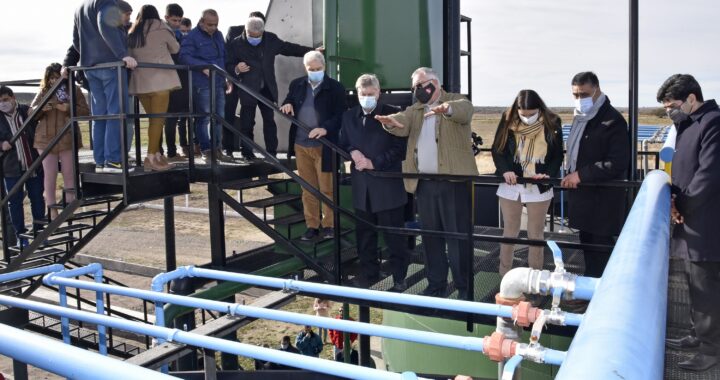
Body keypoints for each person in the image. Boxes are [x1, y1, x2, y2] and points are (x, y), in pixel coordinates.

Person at [376, 67, 477, 299]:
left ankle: (464, 288)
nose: (416, 90)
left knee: (457, 239)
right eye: (414, 87)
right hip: (425, 184)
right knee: (431, 239)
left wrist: (446, 109)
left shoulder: (456, 100)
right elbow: (403, 121)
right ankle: (436, 285)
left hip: (453, 183)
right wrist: (390, 122)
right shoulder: (416, 109)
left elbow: (465, 111)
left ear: (434, 83)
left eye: (419, 85)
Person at [657, 74, 720, 372]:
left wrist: (681, 204)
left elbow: (708, 175)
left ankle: (711, 350)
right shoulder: (686, 124)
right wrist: (673, 200)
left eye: (673, 105)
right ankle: (698, 334)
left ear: (692, 98)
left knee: (706, 287)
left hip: (705, 221)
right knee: (694, 283)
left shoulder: (713, 123)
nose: (670, 111)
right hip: (687, 217)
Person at [339, 73, 409, 290]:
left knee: (394, 237)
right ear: (357, 93)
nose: (367, 97)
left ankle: (399, 278)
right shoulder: (349, 116)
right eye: (363, 94)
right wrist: (352, 152)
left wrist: (373, 162)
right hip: (362, 189)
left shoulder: (392, 115)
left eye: (371, 94)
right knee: (365, 236)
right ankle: (369, 274)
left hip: (388, 187)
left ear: (378, 93)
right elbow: (343, 143)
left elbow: (400, 150)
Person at [560, 72, 629, 278]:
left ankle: (601, 295)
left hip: (602, 201)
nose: (579, 99)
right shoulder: (581, 119)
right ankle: (591, 292)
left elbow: (617, 162)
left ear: (597, 90)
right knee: (588, 249)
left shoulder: (612, 120)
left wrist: (581, 175)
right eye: (575, 95)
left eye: (584, 94)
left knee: (601, 251)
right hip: (584, 198)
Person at [491, 90, 563, 276]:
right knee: (509, 232)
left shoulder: (552, 121)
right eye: (523, 114)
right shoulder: (507, 119)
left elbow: (556, 155)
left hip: (539, 186)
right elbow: (497, 149)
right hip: (511, 185)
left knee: (535, 235)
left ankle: (534, 279)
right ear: (517, 109)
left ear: (539, 108)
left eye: (532, 114)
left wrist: (547, 174)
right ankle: (504, 277)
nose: (527, 118)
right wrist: (505, 170)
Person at [227, 16, 316, 160]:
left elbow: (289, 48)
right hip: (248, 89)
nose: (255, 38)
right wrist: (236, 68)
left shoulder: (271, 39)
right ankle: (247, 153)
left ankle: (271, 153)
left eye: (258, 36)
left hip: (267, 88)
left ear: (263, 32)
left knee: (269, 121)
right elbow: (228, 64)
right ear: (246, 30)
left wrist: (313, 52)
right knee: (247, 123)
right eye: (251, 36)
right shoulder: (236, 44)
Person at [280, 51, 346, 240]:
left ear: (324, 67)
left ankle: (330, 225)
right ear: (305, 68)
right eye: (311, 69)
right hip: (301, 144)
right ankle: (312, 226)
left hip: (325, 146)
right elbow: (290, 99)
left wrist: (325, 129)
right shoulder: (297, 84)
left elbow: (341, 115)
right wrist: (287, 104)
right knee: (308, 189)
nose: (315, 72)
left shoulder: (335, 88)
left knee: (327, 188)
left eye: (318, 69)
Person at [74, 0, 137, 173]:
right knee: (115, 113)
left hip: (90, 68)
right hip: (111, 66)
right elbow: (105, 24)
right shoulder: (105, 1)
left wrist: (88, 58)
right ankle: (113, 161)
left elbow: (76, 40)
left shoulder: (81, 7)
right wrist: (122, 54)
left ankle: (101, 161)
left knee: (99, 115)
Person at [30, 63, 89, 216]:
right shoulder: (43, 92)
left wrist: (68, 108)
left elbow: (85, 112)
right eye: (50, 78)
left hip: (67, 138)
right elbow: (31, 112)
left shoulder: (74, 90)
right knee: (50, 174)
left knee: (69, 172)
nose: (53, 81)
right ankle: (51, 208)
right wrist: (41, 108)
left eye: (57, 77)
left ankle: (70, 205)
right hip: (45, 140)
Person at [127, 4, 181, 171]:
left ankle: (157, 155)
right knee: (158, 120)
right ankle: (150, 158)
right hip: (161, 81)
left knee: (153, 120)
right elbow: (176, 48)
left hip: (141, 83)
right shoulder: (162, 28)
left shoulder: (132, 31)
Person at [179, 9, 232, 162]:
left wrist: (226, 77)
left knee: (219, 118)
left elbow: (223, 57)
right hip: (202, 84)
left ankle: (217, 149)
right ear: (202, 21)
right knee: (204, 118)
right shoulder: (192, 36)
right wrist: (203, 67)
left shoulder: (219, 35)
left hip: (219, 82)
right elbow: (184, 57)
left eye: (216, 24)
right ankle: (206, 150)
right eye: (210, 24)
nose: (213, 27)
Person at [0, 86, 46, 248]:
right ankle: (22, 236)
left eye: (5, 99)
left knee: (37, 199)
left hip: (33, 164)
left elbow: (41, 128)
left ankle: (40, 232)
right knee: (15, 203)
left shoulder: (26, 111)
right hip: (11, 169)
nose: (2, 104)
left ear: (13, 98)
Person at [223, 11, 265, 158]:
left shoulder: (264, 36)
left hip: (250, 85)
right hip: (233, 81)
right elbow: (226, 58)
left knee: (248, 118)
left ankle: (247, 150)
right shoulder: (233, 31)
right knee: (228, 114)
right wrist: (234, 70)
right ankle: (227, 148)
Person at [163, 3, 190, 162]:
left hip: (179, 79)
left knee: (176, 117)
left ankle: (172, 151)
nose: (177, 24)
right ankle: (170, 152)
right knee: (169, 118)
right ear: (166, 18)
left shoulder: (178, 34)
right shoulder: (163, 33)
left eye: (179, 21)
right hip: (167, 79)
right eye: (174, 20)